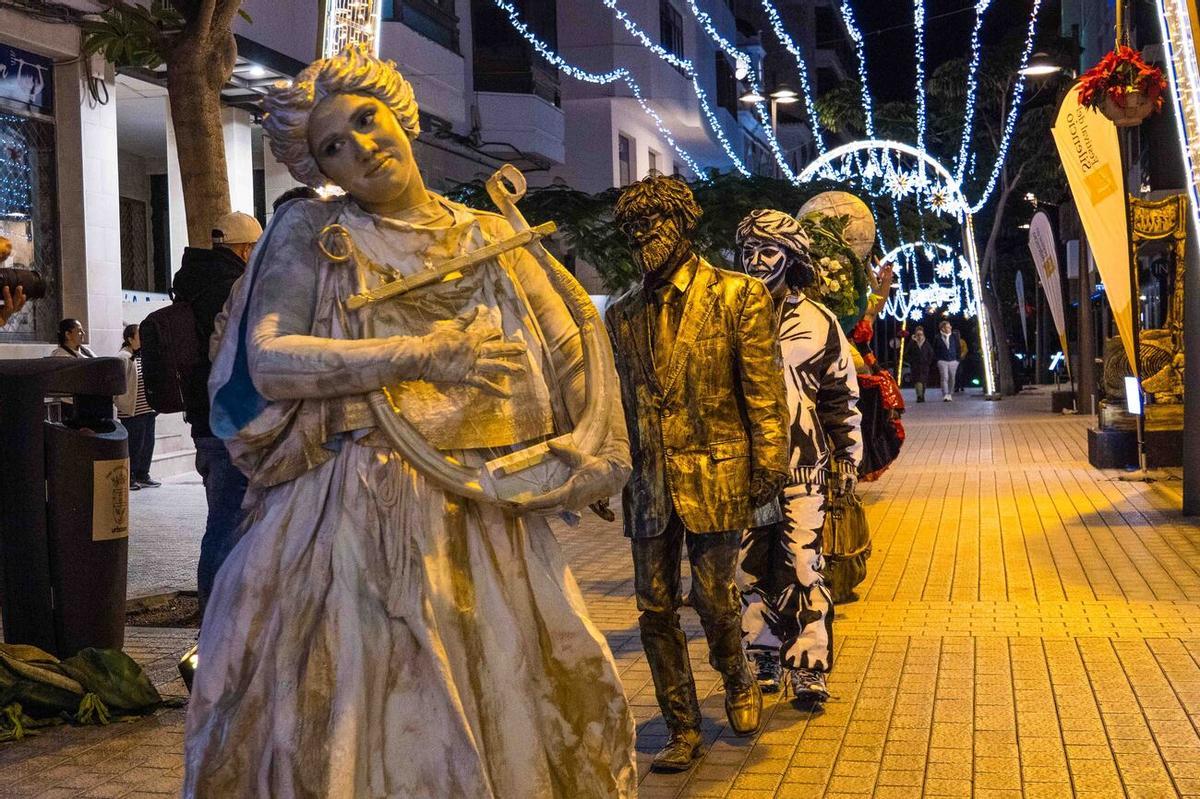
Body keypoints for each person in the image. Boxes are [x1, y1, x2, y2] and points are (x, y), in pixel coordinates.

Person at [183, 46, 635, 797]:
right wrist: (422, 353)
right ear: (322, 169)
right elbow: (268, 360)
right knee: (363, 706)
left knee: (512, 689)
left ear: (401, 115)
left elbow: (571, 345)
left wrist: (589, 446)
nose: (361, 147)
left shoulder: (493, 234)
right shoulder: (313, 236)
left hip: (486, 510)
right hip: (352, 509)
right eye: (334, 146)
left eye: (367, 120)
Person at [606, 176, 789, 771]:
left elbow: (763, 395)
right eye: (633, 229)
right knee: (654, 607)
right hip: (650, 481)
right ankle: (681, 725)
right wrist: (600, 470)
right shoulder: (625, 312)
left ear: (683, 226)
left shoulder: (738, 296)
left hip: (719, 473)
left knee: (713, 598)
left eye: (652, 224)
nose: (641, 237)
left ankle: (736, 677)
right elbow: (616, 402)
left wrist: (770, 467)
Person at [733, 209, 862, 700]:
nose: (757, 261)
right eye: (749, 252)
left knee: (805, 562)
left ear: (792, 257)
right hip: (744, 466)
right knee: (750, 564)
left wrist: (848, 455)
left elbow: (840, 395)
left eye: (768, 251)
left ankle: (810, 661)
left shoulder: (818, 320)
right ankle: (762, 652)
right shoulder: (731, 313)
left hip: (801, 463)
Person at [170, 210, 261, 611]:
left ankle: (218, 615)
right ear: (245, 248)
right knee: (228, 526)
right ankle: (217, 621)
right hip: (228, 424)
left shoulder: (191, 282)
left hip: (202, 422)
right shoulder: (233, 289)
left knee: (222, 522)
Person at [116, 324, 159, 490]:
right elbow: (118, 385)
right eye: (139, 335)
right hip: (132, 411)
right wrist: (122, 403)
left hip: (147, 409)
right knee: (134, 445)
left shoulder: (142, 355)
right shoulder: (123, 357)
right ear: (130, 338)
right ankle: (130, 477)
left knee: (147, 443)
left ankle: (143, 474)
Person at [932, 319, 962, 402]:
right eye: (948, 327)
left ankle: (950, 393)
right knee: (944, 377)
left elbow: (958, 348)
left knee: (952, 377)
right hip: (942, 360)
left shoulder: (954, 337)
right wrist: (937, 360)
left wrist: (958, 359)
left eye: (950, 326)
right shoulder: (937, 337)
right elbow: (934, 349)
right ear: (942, 328)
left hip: (953, 360)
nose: (950, 328)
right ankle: (945, 394)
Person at [909, 325, 934, 403]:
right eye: (918, 334)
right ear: (915, 335)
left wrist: (928, 362)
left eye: (921, 334)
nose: (919, 336)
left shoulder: (926, 343)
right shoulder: (912, 343)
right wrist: (911, 361)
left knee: (923, 381)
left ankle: (922, 395)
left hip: (924, 365)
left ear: (923, 335)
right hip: (915, 365)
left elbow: (931, 353)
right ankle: (919, 396)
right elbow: (907, 353)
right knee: (918, 381)